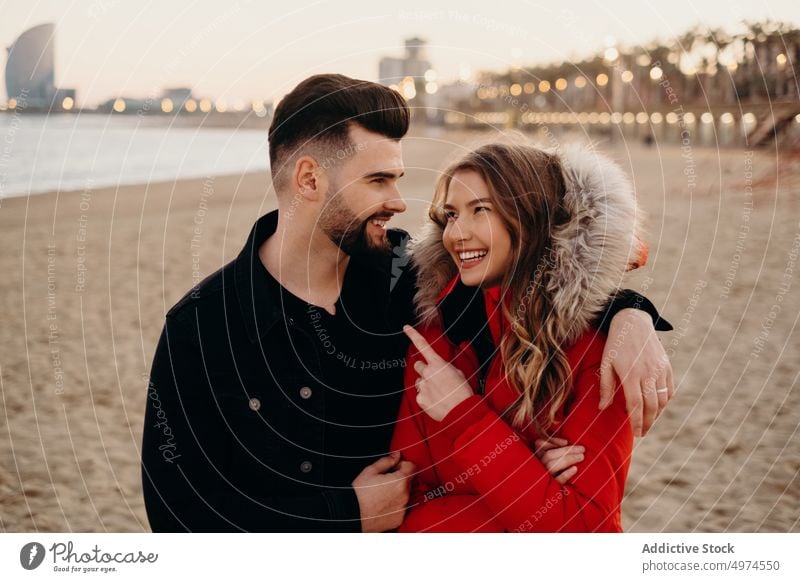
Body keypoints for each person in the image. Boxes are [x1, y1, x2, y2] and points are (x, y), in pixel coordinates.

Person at [141, 74, 672, 532]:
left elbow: (538, 262)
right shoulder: (203, 327)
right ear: (309, 178)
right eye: (377, 180)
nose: (399, 202)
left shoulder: (410, 277)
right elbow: (181, 518)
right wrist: (346, 516)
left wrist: (629, 311)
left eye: (397, 177)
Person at [392, 141, 671, 532]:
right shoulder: (434, 339)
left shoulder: (601, 351)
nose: (458, 233)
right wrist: (529, 475)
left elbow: (583, 529)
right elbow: (406, 502)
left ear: (529, 218)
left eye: (481, 210)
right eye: (451, 214)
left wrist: (464, 417)